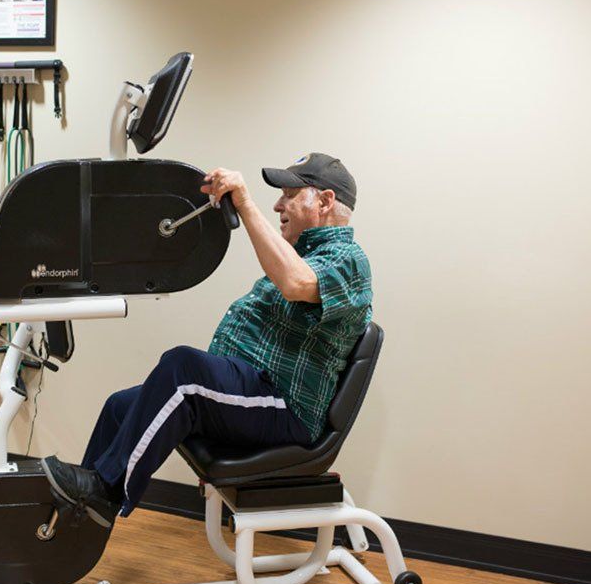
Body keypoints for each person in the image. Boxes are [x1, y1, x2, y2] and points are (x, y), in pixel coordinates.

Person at [42, 153, 373, 527]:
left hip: (284, 409)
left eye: (290, 195)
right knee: (120, 407)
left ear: (326, 201)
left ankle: (101, 491)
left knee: (184, 369)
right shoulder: (299, 256)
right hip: (252, 392)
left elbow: (297, 284)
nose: (279, 205)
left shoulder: (349, 261)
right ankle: (78, 525)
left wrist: (246, 204)